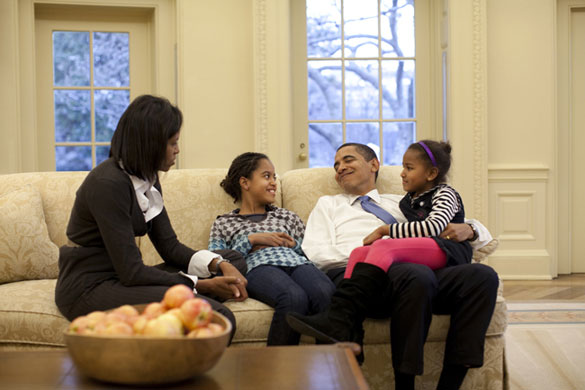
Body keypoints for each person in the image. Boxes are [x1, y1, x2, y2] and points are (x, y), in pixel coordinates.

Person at [287, 143, 499, 390]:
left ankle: (451, 384)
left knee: (483, 276)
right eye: (336, 166)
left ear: (374, 165)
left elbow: (442, 223)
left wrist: (471, 229)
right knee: (414, 273)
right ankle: (404, 384)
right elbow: (317, 253)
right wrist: (378, 252)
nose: (340, 168)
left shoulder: (404, 202)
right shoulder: (329, 204)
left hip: (418, 274)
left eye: (348, 160)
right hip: (364, 277)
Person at [55, 95, 248, 339]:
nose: (178, 150)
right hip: (91, 286)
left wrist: (220, 265)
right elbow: (132, 272)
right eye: (172, 143)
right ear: (151, 145)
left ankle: (188, 293)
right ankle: (192, 302)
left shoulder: (148, 177)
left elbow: (170, 247)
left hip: (124, 276)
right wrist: (197, 284)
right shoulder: (108, 184)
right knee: (219, 317)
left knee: (233, 260)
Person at [208, 152, 335, 345]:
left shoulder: (287, 216)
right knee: (294, 297)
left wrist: (294, 245)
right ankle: (276, 371)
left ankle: (332, 368)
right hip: (258, 267)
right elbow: (216, 260)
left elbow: (311, 250)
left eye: (274, 177)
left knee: (326, 292)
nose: (274, 182)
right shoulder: (224, 222)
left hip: (297, 262)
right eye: (267, 176)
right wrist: (251, 240)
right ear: (245, 183)